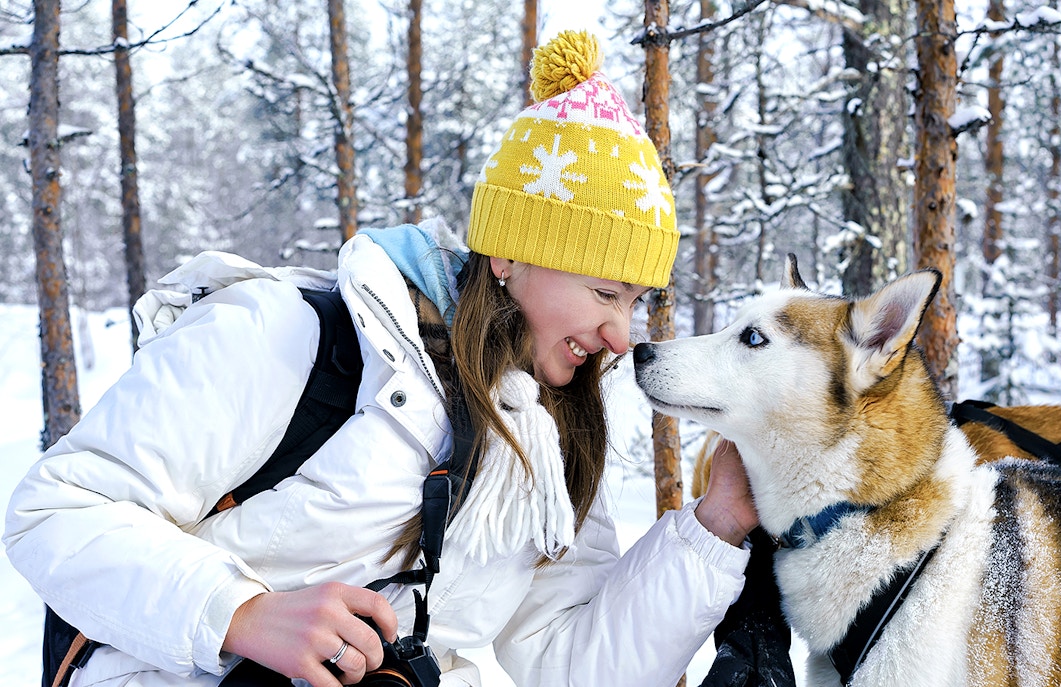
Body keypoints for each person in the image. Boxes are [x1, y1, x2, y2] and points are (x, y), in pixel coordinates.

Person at [5, 31, 758, 687]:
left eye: (633, 302)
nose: (620, 335)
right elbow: (55, 512)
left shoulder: (552, 437)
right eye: (605, 291)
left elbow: (570, 665)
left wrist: (717, 523)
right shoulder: (295, 337)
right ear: (509, 253)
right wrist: (238, 613)